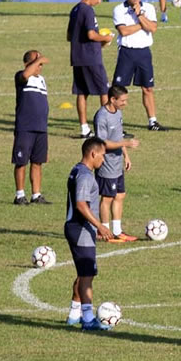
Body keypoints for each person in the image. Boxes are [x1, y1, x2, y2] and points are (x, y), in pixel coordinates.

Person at [64, 137, 115, 330]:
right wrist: (100, 225)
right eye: (102, 155)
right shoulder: (85, 176)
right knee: (87, 275)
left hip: (77, 228)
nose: (103, 160)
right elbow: (81, 204)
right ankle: (87, 319)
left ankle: (73, 314)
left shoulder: (76, 170)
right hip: (80, 229)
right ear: (93, 154)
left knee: (83, 273)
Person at [112, 0, 168, 132]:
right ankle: (115, 123)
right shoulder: (119, 9)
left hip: (144, 53)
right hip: (127, 52)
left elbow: (153, 28)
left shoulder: (148, 8)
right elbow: (123, 31)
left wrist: (139, 15)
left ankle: (153, 121)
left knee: (148, 88)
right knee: (118, 89)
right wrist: (142, 24)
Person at [93, 86, 140, 243]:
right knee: (107, 198)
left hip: (117, 163)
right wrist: (126, 143)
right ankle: (104, 232)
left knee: (120, 195)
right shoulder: (102, 117)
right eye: (123, 100)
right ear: (112, 99)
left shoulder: (118, 112)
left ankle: (118, 231)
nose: (125, 103)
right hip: (106, 165)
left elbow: (118, 136)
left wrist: (126, 155)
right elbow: (102, 143)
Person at [67, 0, 113, 139]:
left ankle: (84, 128)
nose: (99, 2)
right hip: (91, 58)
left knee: (82, 92)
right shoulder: (87, 10)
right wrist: (105, 38)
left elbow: (69, 36)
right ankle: (108, 127)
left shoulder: (74, 9)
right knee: (104, 90)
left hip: (77, 57)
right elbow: (91, 34)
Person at [12, 50, 51, 205]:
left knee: (38, 161)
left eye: (41, 64)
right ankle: (20, 195)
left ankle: (36, 194)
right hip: (25, 127)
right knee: (21, 161)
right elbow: (25, 75)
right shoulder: (21, 76)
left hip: (41, 128)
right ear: (27, 63)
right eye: (37, 63)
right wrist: (37, 59)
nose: (40, 66)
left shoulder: (41, 80)